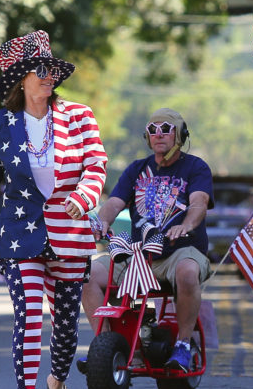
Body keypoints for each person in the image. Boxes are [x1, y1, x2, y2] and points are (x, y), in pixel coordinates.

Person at [0, 30, 108, 389]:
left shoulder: (80, 116)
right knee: (27, 317)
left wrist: (84, 194)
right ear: (21, 79)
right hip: (20, 234)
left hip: (71, 233)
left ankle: (56, 384)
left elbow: (96, 166)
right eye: (39, 70)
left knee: (63, 322)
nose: (48, 76)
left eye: (51, 70)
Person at [81, 108, 213, 373]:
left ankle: (183, 346)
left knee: (188, 273)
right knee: (87, 274)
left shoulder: (195, 167)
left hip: (180, 251)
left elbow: (199, 203)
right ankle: (106, 344)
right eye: (153, 130)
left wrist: (186, 225)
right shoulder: (137, 169)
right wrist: (102, 221)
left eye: (166, 129)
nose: (158, 135)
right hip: (139, 254)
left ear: (180, 134)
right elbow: (114, 203)